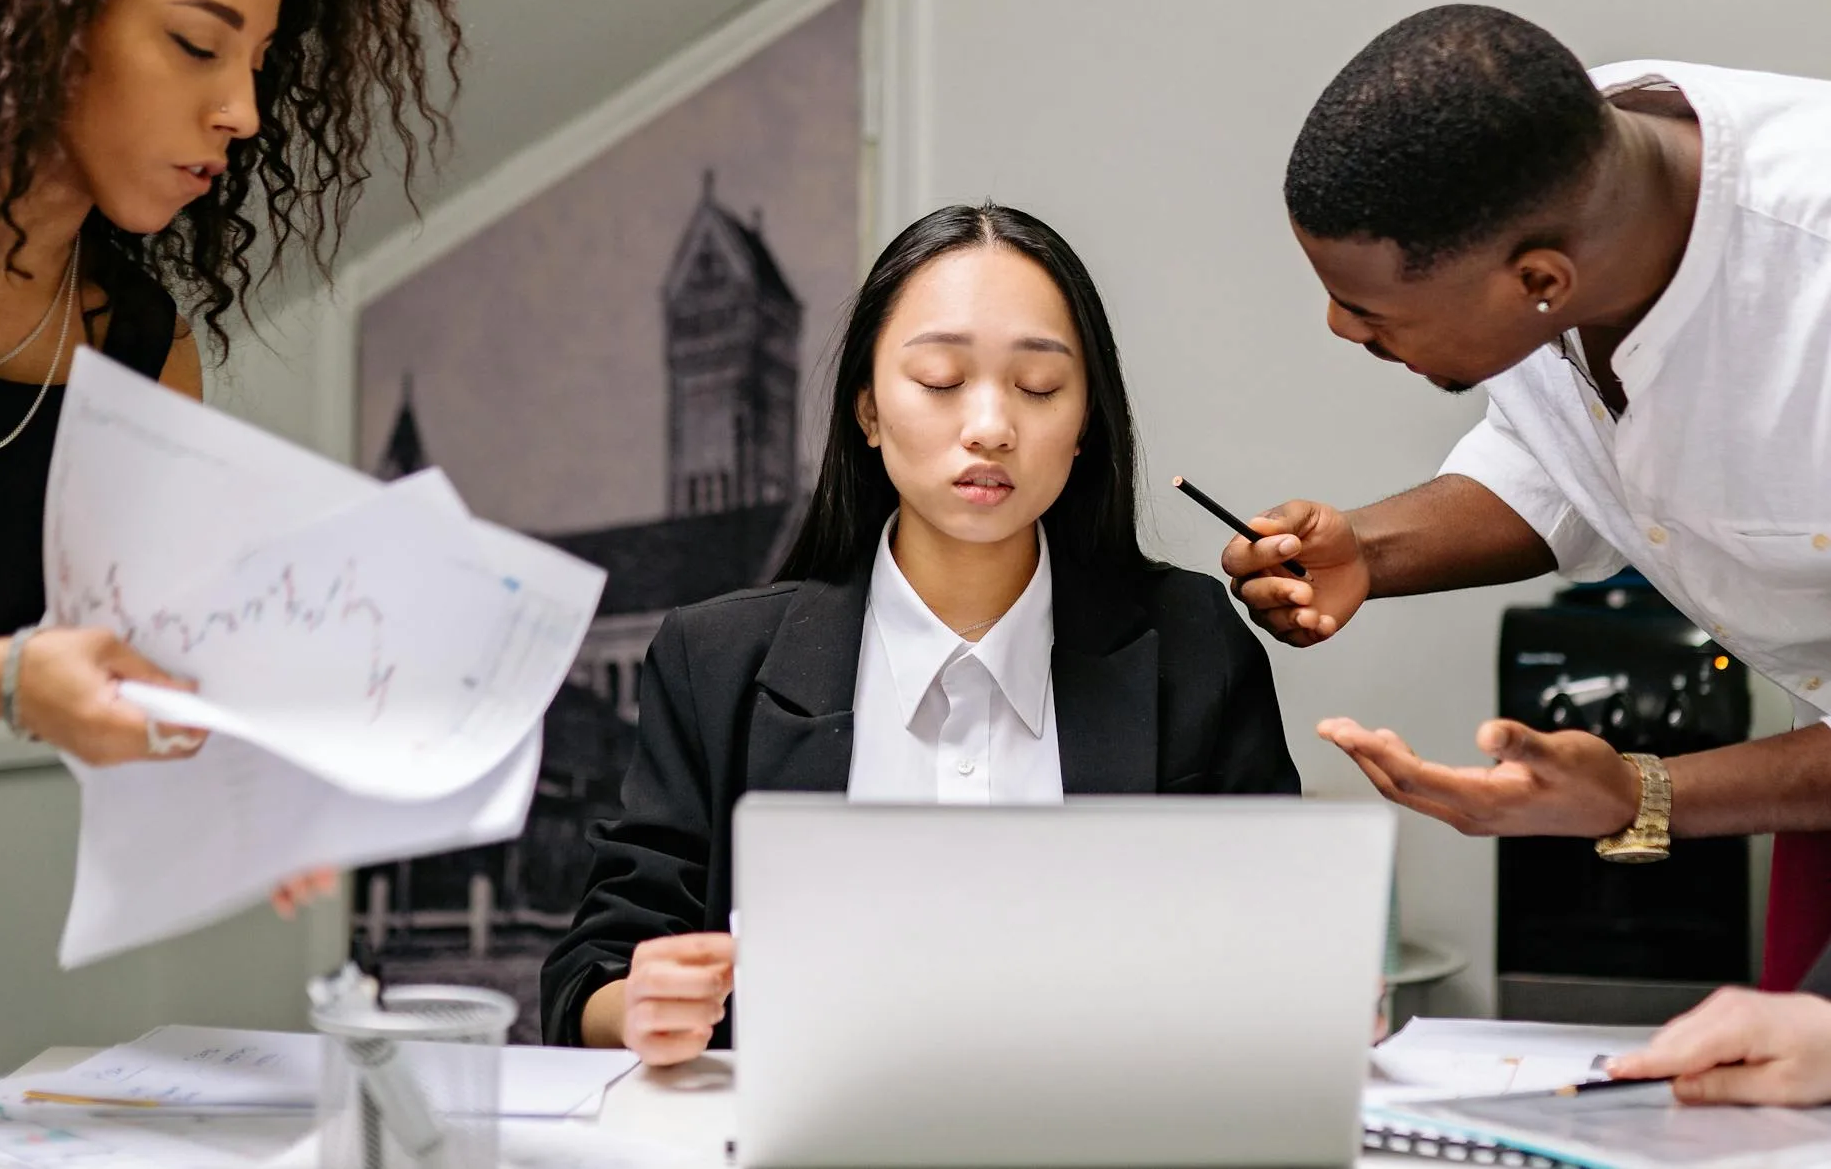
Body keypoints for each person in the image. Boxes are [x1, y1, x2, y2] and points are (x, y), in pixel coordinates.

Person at [1218, 2, 1831, 1105]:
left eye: (1365, 307)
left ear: (1540, 281)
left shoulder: (1810, 285)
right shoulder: (1545, 165)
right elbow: (1575, 458)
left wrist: (1641, 794)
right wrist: (1372, 547)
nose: (1336, 327)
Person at [542, 202, 1300, 1066]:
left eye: (1040, 387)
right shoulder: (714, 661)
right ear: (867, 409)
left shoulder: (1193, 643)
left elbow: (1279, 945)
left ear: (1086, 418)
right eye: (940, 379)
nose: (990, 426)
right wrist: (639, 1003)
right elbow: (592, 967)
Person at [0, 0, 461, 1076]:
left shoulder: (143, 348)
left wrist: (261, 789)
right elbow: (35, 675)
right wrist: (10, 676)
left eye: (260, 65)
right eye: (197, 45)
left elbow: (149, 662)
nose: (244, 110)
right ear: (46, 25)